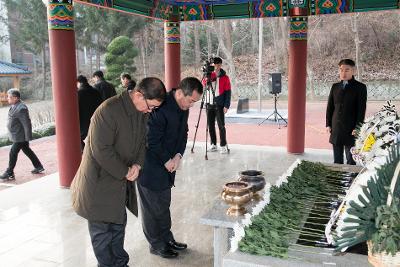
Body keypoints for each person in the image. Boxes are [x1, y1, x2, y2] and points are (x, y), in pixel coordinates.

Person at [71, 77, 166, 267]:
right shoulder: (108, 110)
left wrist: (138, 165)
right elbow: (101, 150)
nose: (150, 111)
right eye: (150, 106)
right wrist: (125, 171)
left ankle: (121, 263)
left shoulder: (141, 112)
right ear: (138, 95)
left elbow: (141, 142)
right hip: (98, 183)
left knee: (117, 226)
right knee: (102, 233)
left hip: (120, 181)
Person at [138, 77, 203, 259]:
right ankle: (156, 244)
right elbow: (152, 140)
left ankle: (167, 238)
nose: (191, 106)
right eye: (191, 101)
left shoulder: (183, 106)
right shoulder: (160, 106)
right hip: (150, 166)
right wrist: (167, 160)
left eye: (194, 103)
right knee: (152, 209)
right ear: (180, 93)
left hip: (168, 165)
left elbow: (184, 133)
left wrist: (178, 156)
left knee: (163, 205)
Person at [326, 59, 367, 165]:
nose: (343, 73)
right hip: (336, 127)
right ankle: (337, 180)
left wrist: (357, 127)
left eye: (347, 70)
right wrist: (328, 124)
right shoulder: (335, 87)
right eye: (341, 70)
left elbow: (361, 110)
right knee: (337, 160)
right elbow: (330, 107)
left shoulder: (360, 87)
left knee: (351, 159)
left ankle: (350, 180)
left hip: (351, 128)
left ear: (353, 71)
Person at [0, 89, 44, 180]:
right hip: (17, 135)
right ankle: (39, 166)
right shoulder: (14, 106)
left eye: (9, 97)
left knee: (13, 152)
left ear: (15, 98)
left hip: (20, 136)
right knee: (27, 150)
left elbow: (26, 123)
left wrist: (28, 137)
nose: (7, 98)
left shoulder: (21, 108)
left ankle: (9, 172)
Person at [204, 57, 231, 154]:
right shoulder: (209, 74)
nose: (217, 66)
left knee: (221, 126)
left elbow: (228, 93)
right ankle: (213, 144)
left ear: (220, 65)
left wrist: (226, 105)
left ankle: (223, 145)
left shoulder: (225, 77)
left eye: (218, 64)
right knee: (210, 125)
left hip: (219, 104)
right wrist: (207, 76)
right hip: (209, 103)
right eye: (215, 64)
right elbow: (204, 84)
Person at [77, 75, 102, 151]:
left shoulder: (78, 94)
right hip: (96, 120)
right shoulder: (96, 91)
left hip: (83, 122)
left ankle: (85, 152)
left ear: (78, 82)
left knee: (77, 139)